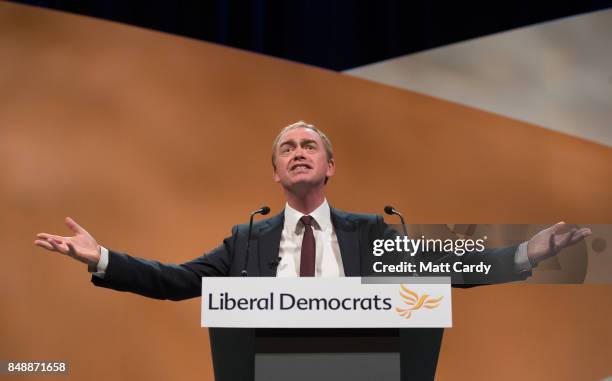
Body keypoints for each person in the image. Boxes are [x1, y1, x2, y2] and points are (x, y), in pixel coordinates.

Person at [34, 121, 591, 378]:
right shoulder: (245, 240)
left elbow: (446, 266)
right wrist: (103, 257)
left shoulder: (370, 231)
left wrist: (526, 252)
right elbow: (178, 281)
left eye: (309, 147)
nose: (298, 153)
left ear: (329, 166)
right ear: (275, 172)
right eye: (286, 149)